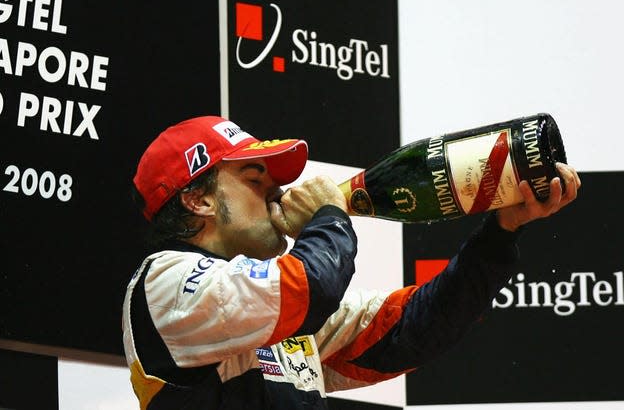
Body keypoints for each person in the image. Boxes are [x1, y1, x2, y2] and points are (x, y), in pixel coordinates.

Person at [122, 115, 580, 409]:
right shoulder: (165, 280)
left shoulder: (270, 310)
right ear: (198, 199)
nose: (277, 193)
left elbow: (407, 332)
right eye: (254, 177)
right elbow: (307, 289)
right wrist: (328, 215)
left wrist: (501, 232)